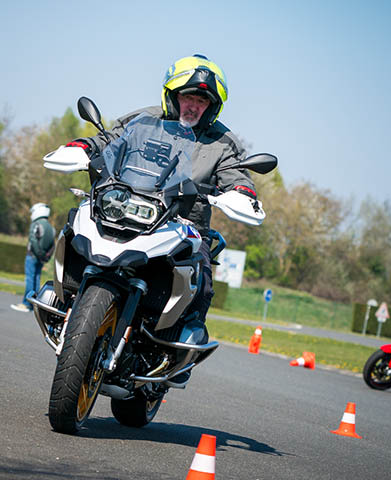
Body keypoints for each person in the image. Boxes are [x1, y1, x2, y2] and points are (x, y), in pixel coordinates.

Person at [70, 54, 257, 380]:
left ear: (212, 107)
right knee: (76, 223)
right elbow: (110, 139)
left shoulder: (222, 142)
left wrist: (242, 192)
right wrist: (83, 147)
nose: (194, 106)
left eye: (202, 100)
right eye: (188, 96)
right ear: (172, 95)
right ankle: (66, 302)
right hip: (127, 208)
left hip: (184, 224)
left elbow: (237, 174)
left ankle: (180, 348)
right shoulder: (143, 120)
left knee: (201, 272)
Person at [11, 203, 55, 312]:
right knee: (37, 279)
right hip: (41, 258)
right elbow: (52, 245)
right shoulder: (51, 227)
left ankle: (26, 304)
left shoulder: (36, 224)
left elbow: (33, 240)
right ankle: (34, 304)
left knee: (30, 279)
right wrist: (45, 256)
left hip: (32, 256)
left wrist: (38, 253)